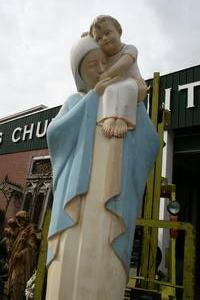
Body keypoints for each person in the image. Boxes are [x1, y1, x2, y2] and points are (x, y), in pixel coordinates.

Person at [45, 35, 159, 300]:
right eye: (91, 66)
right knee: (69, 259)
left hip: (112, 199)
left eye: (102, 63)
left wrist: (138, 102)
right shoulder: (76, 101)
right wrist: (93, 97)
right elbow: (55, 135)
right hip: (76, 205)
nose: (99, 70)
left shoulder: (124, 102)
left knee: (106, 261)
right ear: (80, 74)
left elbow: (150, 143)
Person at [89, 15, 147, 138]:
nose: (104, 39)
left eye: (107, 33)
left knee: (128, 86)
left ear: (119, 31)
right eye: (98, 38)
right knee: (108, 90)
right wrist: (87, 40)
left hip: (133, 86)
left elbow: (125, 63)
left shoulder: (129, 48)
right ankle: (109, 117)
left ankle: (122, 118)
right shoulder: (103, 58)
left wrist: (107, 74)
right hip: (113, 89)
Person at [8, 211, 38, 300]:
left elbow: (32, 248)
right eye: (18, 220)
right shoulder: (21, 231)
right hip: (15, 264)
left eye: (20, 220)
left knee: (18, 286)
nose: (19, 222)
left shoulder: (30, 230)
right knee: (13, 288)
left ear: (25, 219)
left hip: (22, 266)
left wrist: (21, 254)